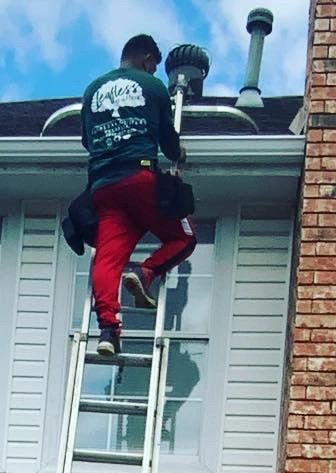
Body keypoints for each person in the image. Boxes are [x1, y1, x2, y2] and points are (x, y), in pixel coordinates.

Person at [81, 34, 196, 357]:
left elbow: (87, 142)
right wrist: (179, 153)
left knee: (107, 258)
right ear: (148, 60)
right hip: (139, 177)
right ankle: (145, 273)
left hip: (103, 187)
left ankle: (107, 330)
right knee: (184, 238)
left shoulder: (92, 91)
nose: (155, 72)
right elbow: (168, 142)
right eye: (154, 67)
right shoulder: (152, 86)